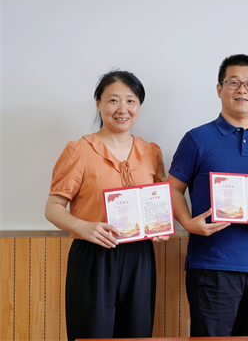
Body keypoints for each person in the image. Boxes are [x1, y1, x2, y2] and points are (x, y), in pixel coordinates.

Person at [168, 54, 248, 337]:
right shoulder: (197, 139)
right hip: (211, 267)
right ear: (219, 89)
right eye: (233, 82)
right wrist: (187, 222)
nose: (242, 89)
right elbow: (173, 188)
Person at [45, 70, 167, 341]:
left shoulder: (151, 151)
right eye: (113, 100)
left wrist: (160, 226)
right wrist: (84, 227)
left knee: (136, 333)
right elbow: (52, 207)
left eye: (131, 100)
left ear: (139, 106)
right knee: (91, 333)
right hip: (93, 254)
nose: (123, 109)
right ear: (98, 104)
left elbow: (158, 202)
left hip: (140, 255)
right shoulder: (79, 150)